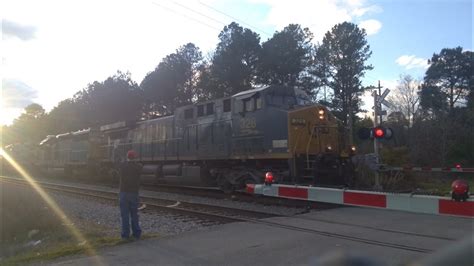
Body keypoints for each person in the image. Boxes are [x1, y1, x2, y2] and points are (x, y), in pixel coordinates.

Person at [119, 150, 143, 240]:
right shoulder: (139, 166)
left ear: (127, 157)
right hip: (134, 193)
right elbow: (139, 167)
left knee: (124, 215)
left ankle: (125, 235)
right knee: (134, 214)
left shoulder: (122, 166)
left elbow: (119, 164)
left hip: (124, 193)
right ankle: (137, 234)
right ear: (135, 157)